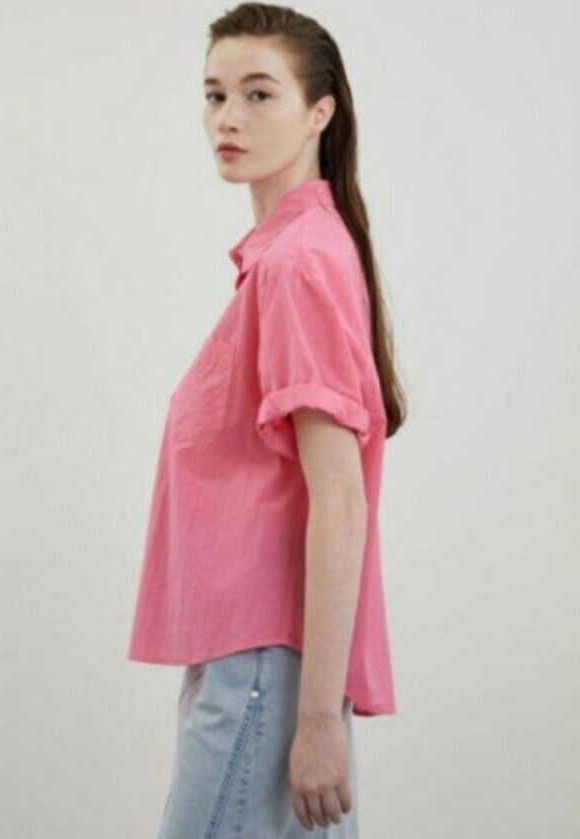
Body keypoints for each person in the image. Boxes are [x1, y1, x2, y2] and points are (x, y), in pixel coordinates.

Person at [127, 3, 407, 835]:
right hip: (256, 663)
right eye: (214, 95)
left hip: (264, 669)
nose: (228, 118)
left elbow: (339, 497)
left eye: (258, 94)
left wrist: (315, 721)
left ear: (320, 111)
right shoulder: (291, 254)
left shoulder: (298, 262)